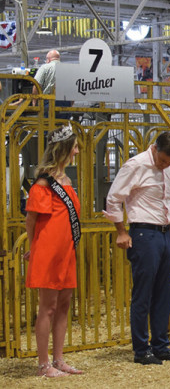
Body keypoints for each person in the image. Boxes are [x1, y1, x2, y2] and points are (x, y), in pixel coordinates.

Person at [104, 132, 170, 364]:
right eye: (162, 161)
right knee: (143, 292)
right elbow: (113, 198)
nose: (165, 165)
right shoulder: (136, 165)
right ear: (154, 149)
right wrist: (121, 231)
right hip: (142, 232)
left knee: (164, 291)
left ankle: (161, 345)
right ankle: (141, 349)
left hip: (163, 234)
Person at [23, 124, 83, 377]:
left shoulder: (66, 180)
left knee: (64, 305)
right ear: (65, 150)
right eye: (75, 147)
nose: (77, 152)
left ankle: (58, 359)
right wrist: (33, 247)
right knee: (47, 306)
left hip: (66, 250)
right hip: (49, 250)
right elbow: (32, 219)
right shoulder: (44, 182)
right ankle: (43, 364)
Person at [33, 49, 72, 117]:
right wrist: (70, 105)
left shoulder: (44, 67)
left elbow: (36, 85)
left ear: (48, 59)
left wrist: (34, 102)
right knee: (63, 125)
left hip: (49, 102)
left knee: (47, 125)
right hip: (65, 102)